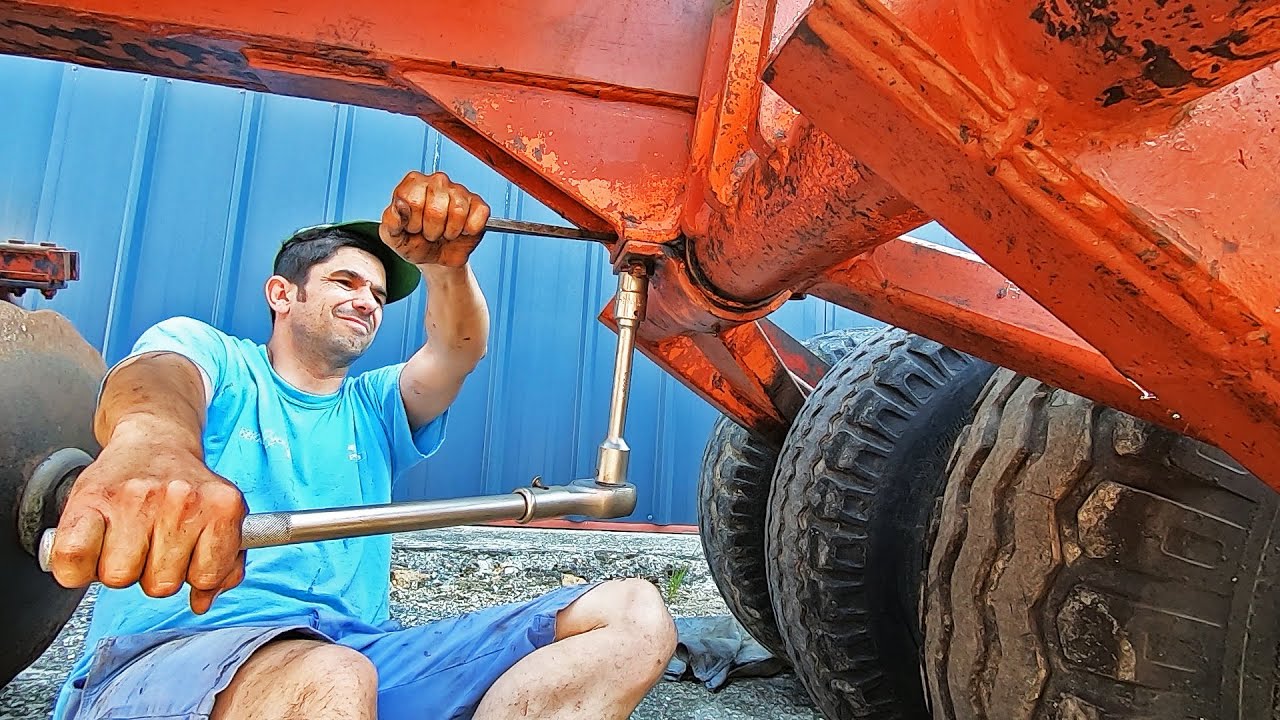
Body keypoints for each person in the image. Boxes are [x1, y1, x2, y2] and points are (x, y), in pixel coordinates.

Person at [45, 170, 677, 720]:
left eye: (377, 295)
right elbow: (156, 378)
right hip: (177, 656)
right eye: (345, 282)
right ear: (283, 294)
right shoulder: (218, 358)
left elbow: (459, 351)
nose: (365, 302)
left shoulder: (375, 408)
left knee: (634, 616)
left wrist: (445, 264)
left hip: (361, 657)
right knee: (329, 679)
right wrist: (153, 446)